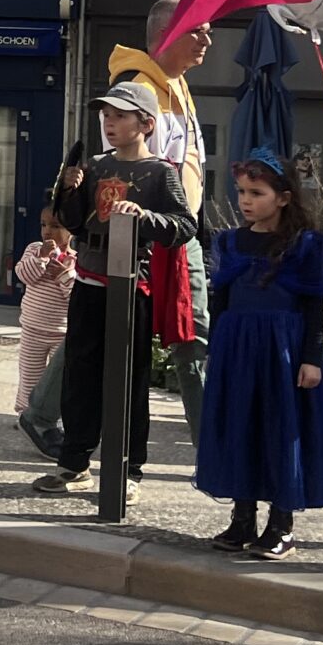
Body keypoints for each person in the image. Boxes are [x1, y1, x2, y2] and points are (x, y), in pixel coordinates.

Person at [34, 82, 199, 497]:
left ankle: (128, 469)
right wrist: (69, 189)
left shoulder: (161, 172)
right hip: (88, 280)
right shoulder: (94, 165)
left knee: (129, 379)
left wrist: (144, 217)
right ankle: (74, 463)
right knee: (79, 376)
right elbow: (73, 221)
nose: (109, 123)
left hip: (131, 287)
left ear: (146, 124)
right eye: (106, 115)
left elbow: (185, 225)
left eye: (120, 116)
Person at [193, 151, 323, 560]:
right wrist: (215, 350)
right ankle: (242, 518)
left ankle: (281, 524)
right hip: (238, 350)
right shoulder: (230, 241)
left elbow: (313, 306)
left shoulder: (305, 245)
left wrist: (310, 358)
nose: (245, 201)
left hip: (282, 352)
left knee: (281, 429)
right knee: (241, 427)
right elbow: (221, 301)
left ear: (283, 198)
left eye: (257, 193)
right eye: (242, 192)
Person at [108, 0, 214, 440]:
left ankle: (40, 414)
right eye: (198, 31)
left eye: (208, 32)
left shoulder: (176, 84)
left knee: (174, 330)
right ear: (168, 33)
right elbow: (128, 169)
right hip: (156, 233)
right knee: (187, 331)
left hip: (175, 229)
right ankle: (210, 439)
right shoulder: (140, 89)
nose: (207, 41)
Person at [13, 207, 76, 429]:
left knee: (58, 379)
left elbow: (76, 297)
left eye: (56, 226)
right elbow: (24, 275)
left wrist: (64, 275)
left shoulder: (76, 259)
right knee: (29, 375)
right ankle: (25, 415)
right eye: (43, 225)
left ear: (72, 229)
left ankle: (54, 417)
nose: (47, 231)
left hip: (61, 332)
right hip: (32, 328)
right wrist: (40, 258)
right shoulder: (34, 249)